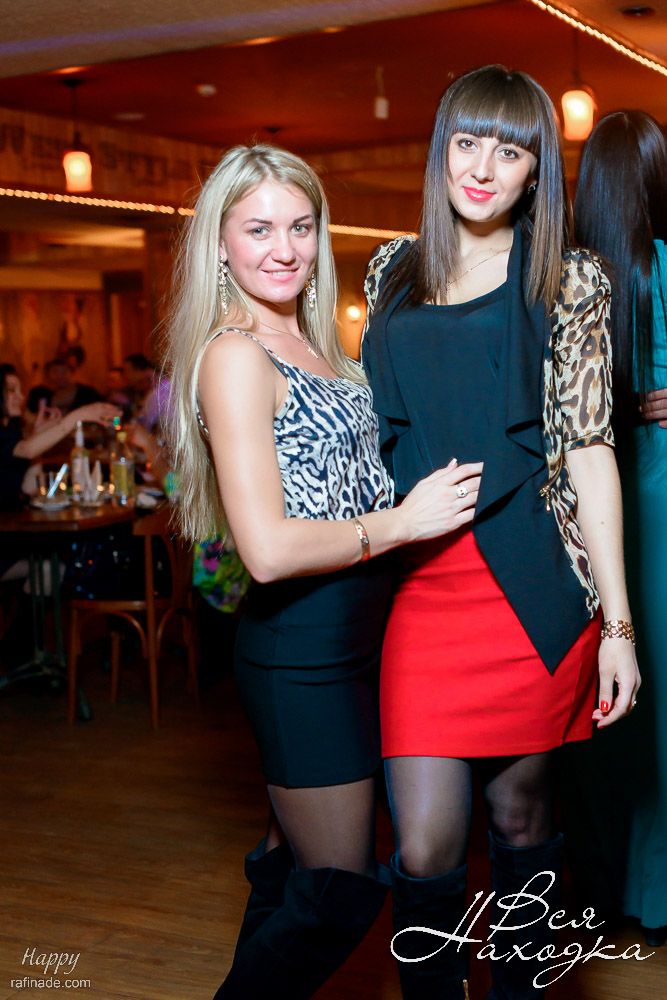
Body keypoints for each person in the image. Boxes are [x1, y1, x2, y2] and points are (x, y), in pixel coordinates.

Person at [164, 143, 482, 1000]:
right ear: (220, 243)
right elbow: (267, 550)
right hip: (300, 646)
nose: (284, 249)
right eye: (258, 229)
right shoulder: (236, 354)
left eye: (300, 227)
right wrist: (403, 522)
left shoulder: (317, 344)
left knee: (291, 873)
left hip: (361, 634)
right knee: (338, 890)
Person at [361, 65, 641, 999]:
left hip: (528, 587)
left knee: (521, 820)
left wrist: (617, 627)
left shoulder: (569, 279)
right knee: (424, 844)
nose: (482, 168)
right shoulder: (389, 270)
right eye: (467, 142)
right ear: (440, 149)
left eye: (510, 152)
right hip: (417, 587)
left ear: (536, 173)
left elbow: (590, 449)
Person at [563, 111, 667, 947]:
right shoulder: (663, 265)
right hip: (655, 500)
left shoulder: (561, 278)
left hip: (577, 516)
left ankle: (603, 887)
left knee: (599, 704)